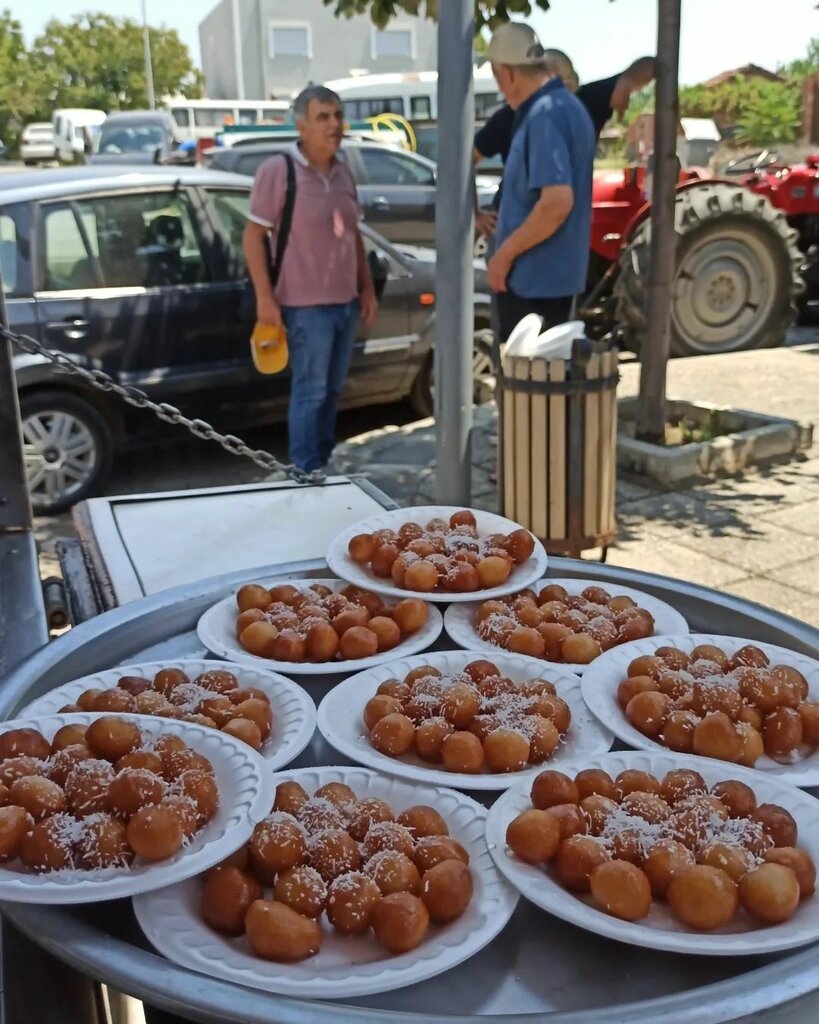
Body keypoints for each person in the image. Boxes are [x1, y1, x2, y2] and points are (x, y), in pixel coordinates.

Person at [243, 85, 378, 474]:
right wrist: (265, 299)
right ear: (301, 125)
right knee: (311, 392)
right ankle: (305, 472)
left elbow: (352, 236)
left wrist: (366, 288)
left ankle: (322, 466)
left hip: (345, 304)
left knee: (332, 392)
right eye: (323, 117)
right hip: (304, 308)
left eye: (338, 116)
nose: (334, 125)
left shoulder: (344, 171)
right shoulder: (278, 170)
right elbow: (252, 237)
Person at [484, 22, 595, 339]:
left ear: (507, 74)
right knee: (552, 369)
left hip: (532, 289)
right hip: (552, 283)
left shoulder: (545, 115)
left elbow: (556, 202)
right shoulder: (567, 107)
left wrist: (503, 256)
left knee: (528, 370)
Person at [475, 52, 656, 237]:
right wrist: (477, 216)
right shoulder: (510, 117)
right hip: (513, 228)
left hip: (562, 232)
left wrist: (625, 83)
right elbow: (468, 159)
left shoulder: (585, 103)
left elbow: (651, 66)